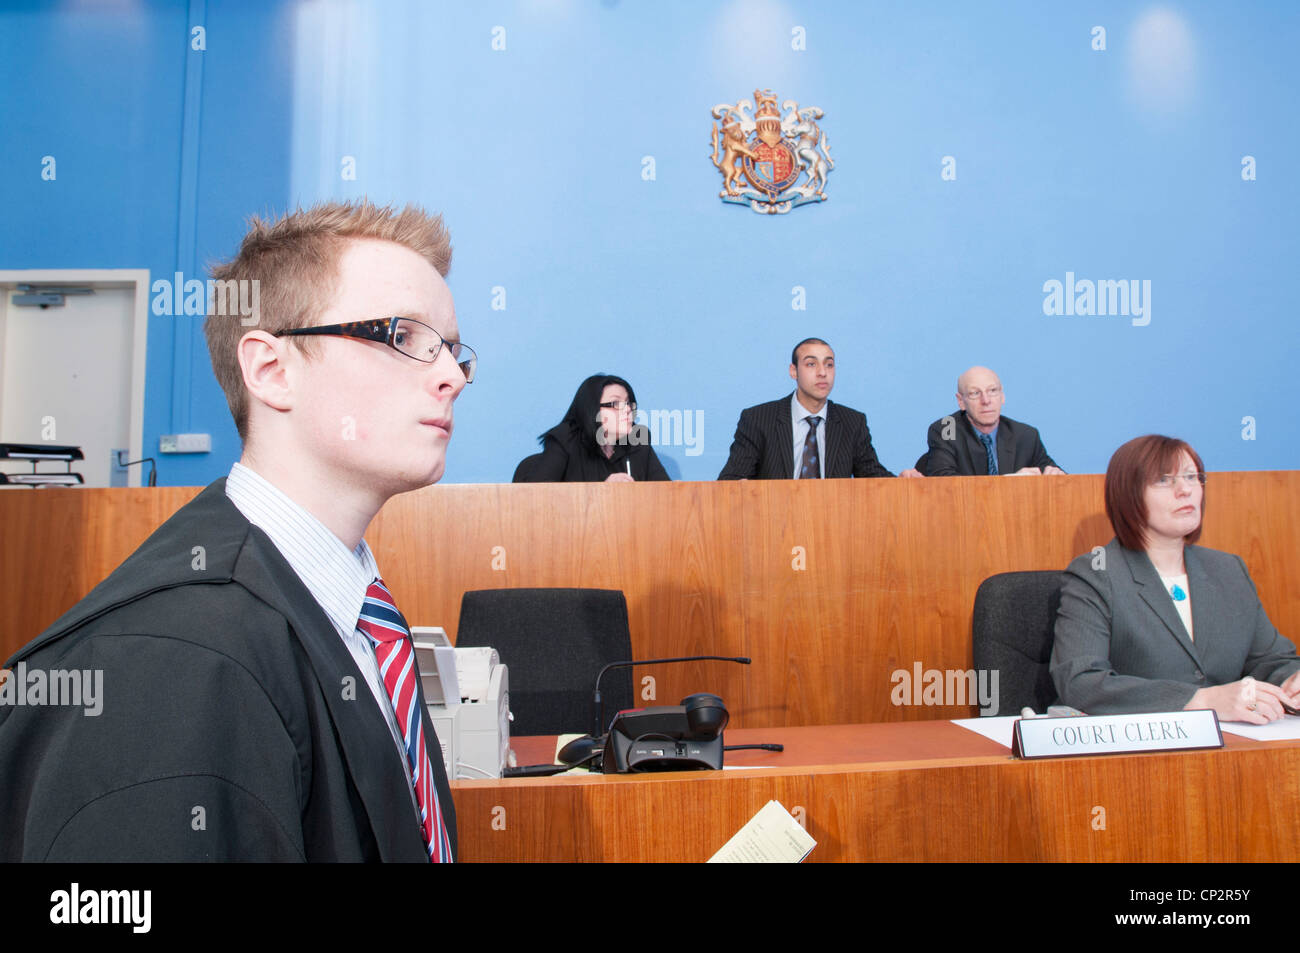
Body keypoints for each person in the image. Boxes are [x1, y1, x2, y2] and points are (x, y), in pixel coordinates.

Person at [0, 200, 472, 860]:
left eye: (451, 349)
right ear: (271, 370)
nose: (451, 375)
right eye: (403, 336)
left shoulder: (351, 618)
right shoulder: (175, 658)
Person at [1051, 434, 1300, 720]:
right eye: (1164, 480)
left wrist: (1292, 679)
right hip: (1140, 753)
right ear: (1128, 494)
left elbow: (1270, 660)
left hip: (1231, 746)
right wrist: (1202, 699)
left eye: (1192, 477)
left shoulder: (1228, 569)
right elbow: (1081, 682)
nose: (1186, 490)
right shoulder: (1096, 574)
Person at [717, 338, 895, 480]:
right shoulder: (758, 420)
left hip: (833, 522)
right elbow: (731, 480)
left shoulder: (853, 422)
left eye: (829, 365)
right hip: (774, 521)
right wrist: (739, 488)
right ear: (793, 371)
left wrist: (904, 482)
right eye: (811, 364)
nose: (822, 372)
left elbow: (874, 479)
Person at [911, 366, 1063, 476]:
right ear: (961, 401)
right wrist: (1011, 482)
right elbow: (945, 481)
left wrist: (1055, 475)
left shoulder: (1025, 434)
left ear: (1002, 396)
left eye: (992, 391)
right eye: (975, 393)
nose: (986, 400)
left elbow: (1055, 474)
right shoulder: (947, 427)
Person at [515, 374, 670, 482]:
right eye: (615, 404)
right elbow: (539, 499)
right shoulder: (565, 440)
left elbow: (664, 492)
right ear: (592, 409)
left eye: (629, 403)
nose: (628, 409)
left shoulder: (638, 441)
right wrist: (602, 491)